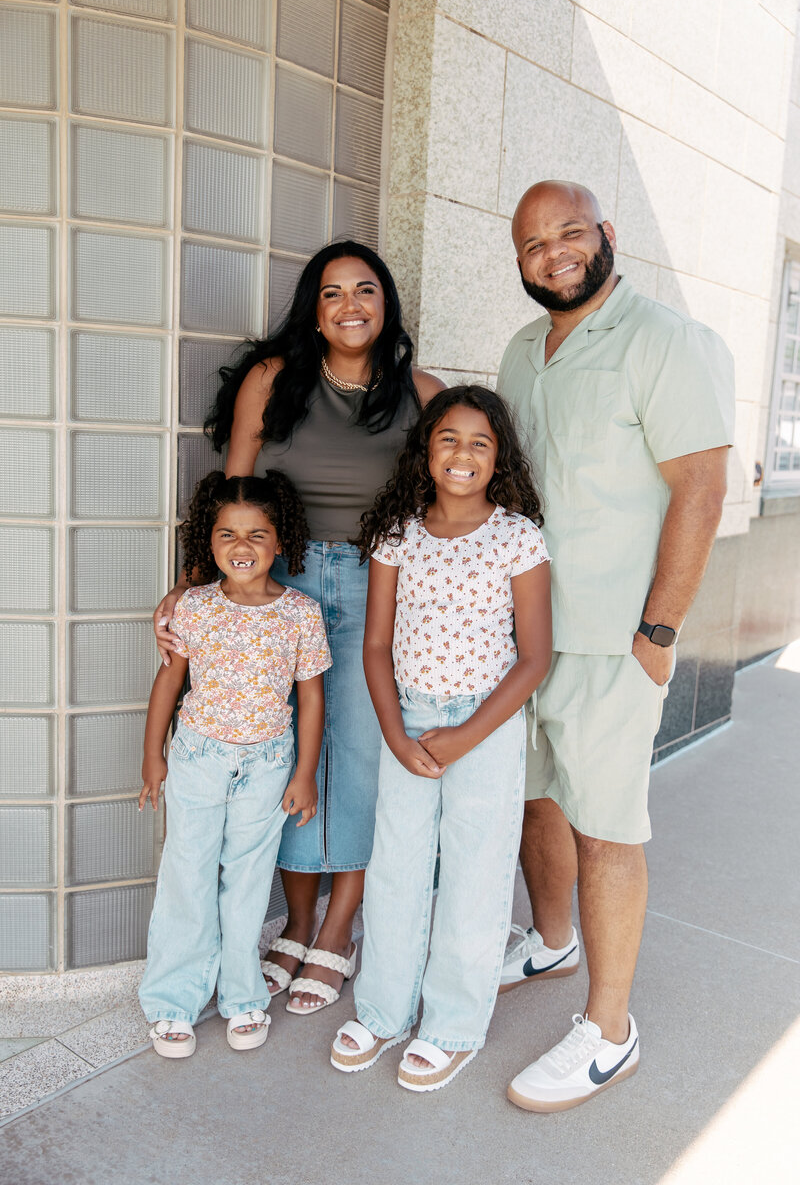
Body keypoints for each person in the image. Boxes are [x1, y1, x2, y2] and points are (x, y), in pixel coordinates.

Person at [154, 242, 443, 1014]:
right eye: (332, 294)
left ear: (387, 305)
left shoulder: (422, 393)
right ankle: (299, 918)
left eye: (366, 291)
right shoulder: (274, 380)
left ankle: (338, 927)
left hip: (378, 586)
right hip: (275, 582)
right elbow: (231, 487)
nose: (350, 306)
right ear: (313, 312)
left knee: (356, 757)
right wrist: (188, 589)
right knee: (281, 751)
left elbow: (444, 505)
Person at [496, 180, 735, 1111]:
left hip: (611, 644)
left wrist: (658, 633)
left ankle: (608, 1032)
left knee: (606, 830)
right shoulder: (522, 351)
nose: (552, 254)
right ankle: (550, 942)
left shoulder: (665, 342)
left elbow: (702, 493)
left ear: (606, 234)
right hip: (524, 639)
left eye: (567, 233)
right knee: (536, 803)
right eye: (530, 245)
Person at [329, 386, 552, 1091]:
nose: (463, 454)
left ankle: (453, 1024)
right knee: (396, 864)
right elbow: (374, 646)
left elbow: (535, 656)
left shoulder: (517, 536)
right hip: (409, 718)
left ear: (499, 458)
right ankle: (383, 1009)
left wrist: (463, 738)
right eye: (448, 439)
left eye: (480, 443)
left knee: (474, 871)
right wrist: (397, 733)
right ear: (426, 451)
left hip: (485, 724)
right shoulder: (399, 534)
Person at [138, 471, 330, 1057]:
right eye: (226, 534)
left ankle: (242, 995)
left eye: (256, 533)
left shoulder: (301, 612)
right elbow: (169, 682)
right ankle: (173, 1001)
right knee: (187, 876)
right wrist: (153, 757)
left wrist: (303, 774)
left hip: (269, 764)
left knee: (247, 882)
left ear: (280, 542)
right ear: (209, 542)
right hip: (197, 758)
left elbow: (312, 697)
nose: (241, 546)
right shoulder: (192, 607)